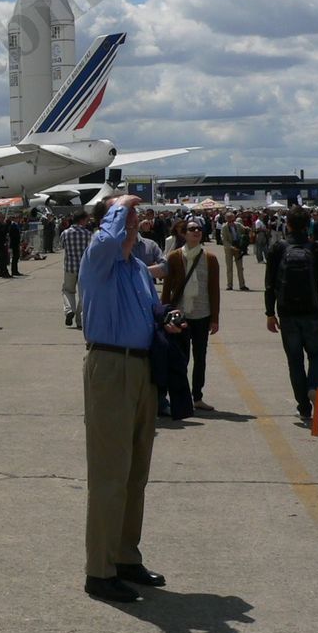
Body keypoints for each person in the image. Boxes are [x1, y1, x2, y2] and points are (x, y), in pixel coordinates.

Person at [79, 195, 183, 602]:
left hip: (142, 368)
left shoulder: (138, 267)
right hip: (111, 367)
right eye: (129, 218)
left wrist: (165, 317)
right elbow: (105, 240)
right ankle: (99, 572)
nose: (137, 222)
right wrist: (119, 203)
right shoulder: (98, 260)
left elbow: (150, 309)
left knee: (136, 472)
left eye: (135, 217)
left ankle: (124, 555)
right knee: (109, 474)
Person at [264, 207, 318, 422]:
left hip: (287, 313)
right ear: (308, 225)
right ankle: (314, 386)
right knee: (316, 354)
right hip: (313, 311)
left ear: (287, 224)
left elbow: (270, 284)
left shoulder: (278, 248)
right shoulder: (315, 249)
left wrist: (270, 312)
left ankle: (304, 407)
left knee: (294, 360)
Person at [160, 220, 220, 412]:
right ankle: (180, 397)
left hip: (202, 314)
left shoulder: (210, 258)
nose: (196, 232)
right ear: (183, 233)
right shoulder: (174, 257)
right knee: (181, 359)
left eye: (199, 229)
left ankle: (198, 397)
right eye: (192, 229)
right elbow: (167, 289)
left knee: (200, 357)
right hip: (180, 315)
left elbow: (214, 290)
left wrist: (215, 318)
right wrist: (163, 314)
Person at [60, 211, 91, 329]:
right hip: (84, 267)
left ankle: (69, 310)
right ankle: (79, 320)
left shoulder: (65, 233)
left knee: (68, 290)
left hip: (69, 267)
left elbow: (62, 246)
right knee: (83, 294)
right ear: (82, 220)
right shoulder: (88, 234)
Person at [221, 212, 249, 291]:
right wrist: (232, 247)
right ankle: (229, 285)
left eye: (232, 220)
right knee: (229, 267)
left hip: (238, 248)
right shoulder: (224, 227)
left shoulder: (238, 225)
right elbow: (224, 240)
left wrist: (247, 228)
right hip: (229, 249)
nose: (231, 222)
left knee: (240, 267)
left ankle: (242, 285)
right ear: (226, 220)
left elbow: (244, 229)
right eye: (229, 220)